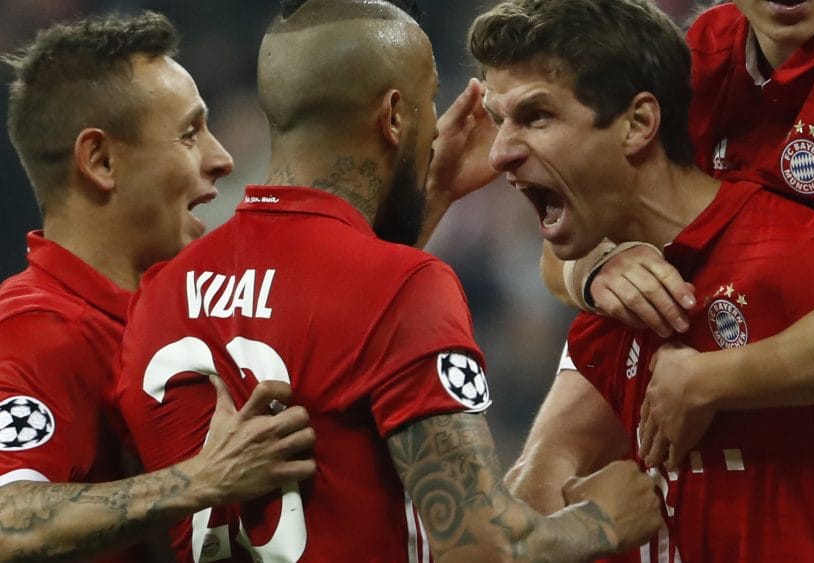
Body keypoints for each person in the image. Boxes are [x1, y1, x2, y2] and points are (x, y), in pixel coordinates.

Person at [115, 1, 663, 562]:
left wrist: (435, 197)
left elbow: (332, 311)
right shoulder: (406, 285)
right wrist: (603, 521)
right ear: (394, 115)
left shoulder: (158, 295)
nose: (436, 127)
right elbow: (482, 549)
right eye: (430, 102)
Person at [469, 0, 814, 560]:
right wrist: (593, 269)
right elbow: (537, 483)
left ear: (641, 123)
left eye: (536, 117)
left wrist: (707, 378)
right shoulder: (704, 59)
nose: (500, 156)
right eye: (502, 122)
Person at [0, 12, 318, 563]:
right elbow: (10, 523)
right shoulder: (37, 327)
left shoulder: (177, 309)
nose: (221, 159)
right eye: (189, 133)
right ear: (100, 160)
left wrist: (423, 202)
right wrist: (201, 479)